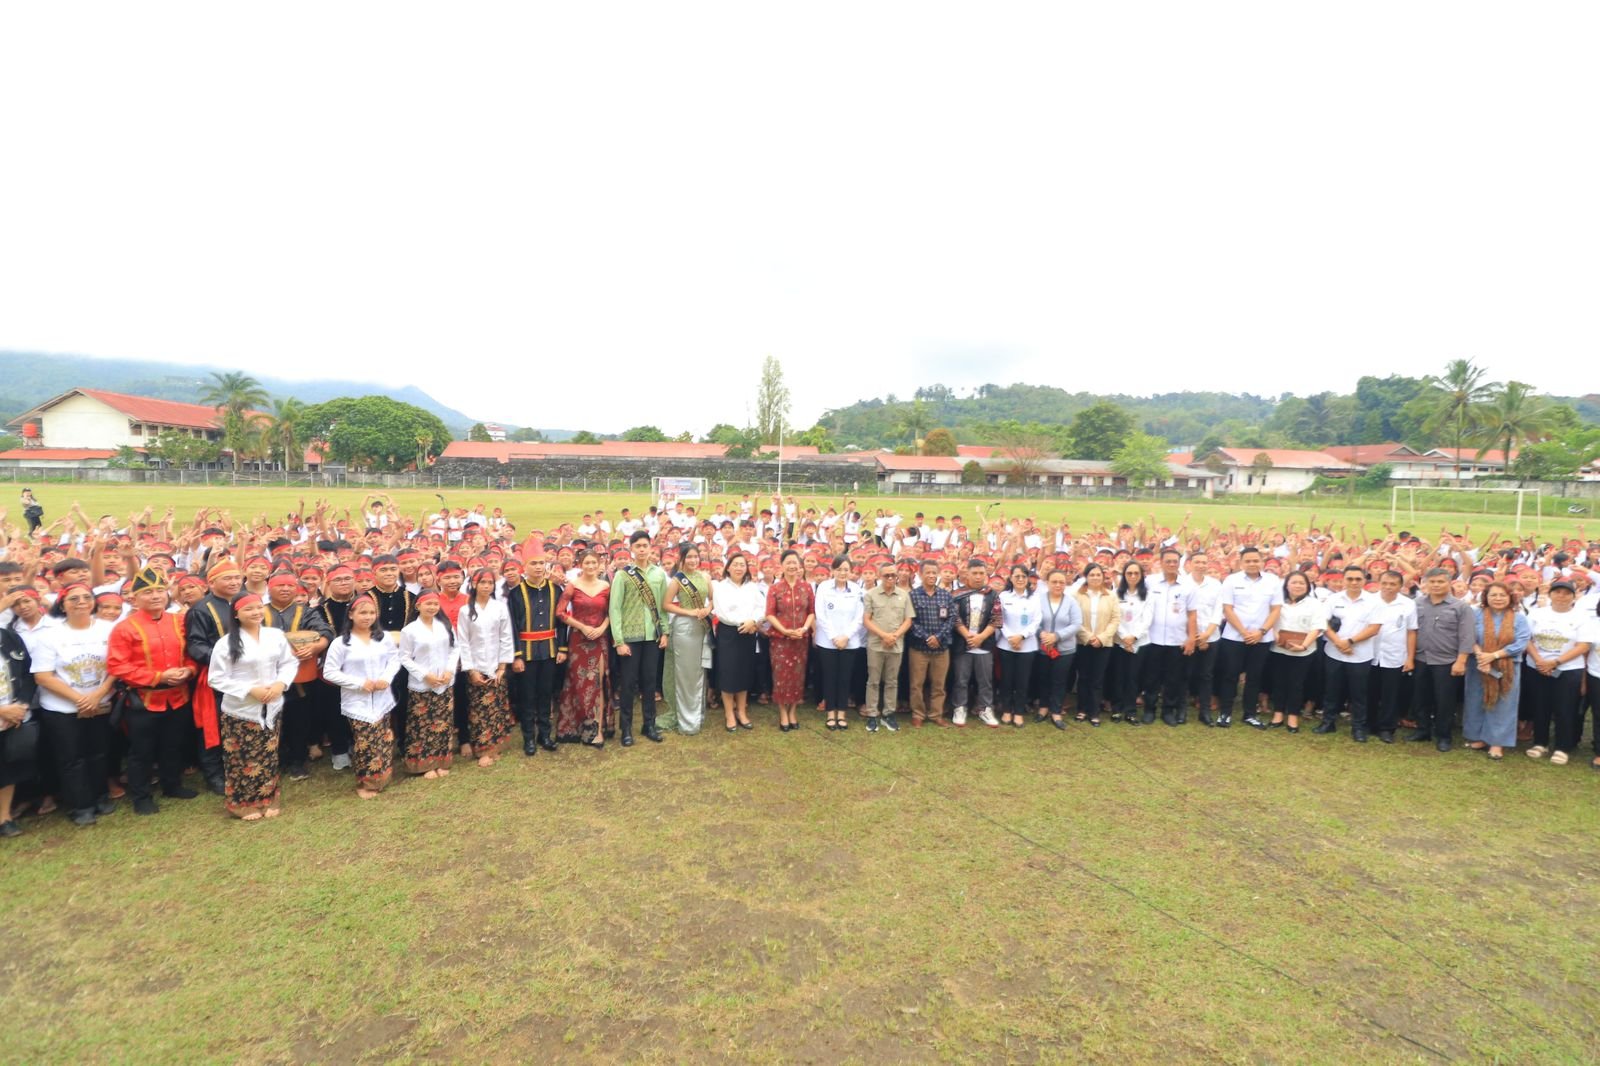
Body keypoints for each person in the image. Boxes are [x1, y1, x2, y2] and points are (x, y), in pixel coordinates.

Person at [106, 566, 198, 815]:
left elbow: (191, 654)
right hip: (143, 700)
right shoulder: (124, 628)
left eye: (160, 591)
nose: (156, 596)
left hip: (178, 697)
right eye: (148, 592)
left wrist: (189, 671)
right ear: (134, 598)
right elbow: (117, 665)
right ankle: (141, 796)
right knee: (141, 751)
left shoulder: (179, 621)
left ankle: (172, 785)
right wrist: (158, 677)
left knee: (173, 744)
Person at [206, 593, 298, 819]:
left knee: (268, 754)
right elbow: (215, 678)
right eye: (249, 609)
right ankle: (243, 803)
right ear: (236, 615)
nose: (256, 613)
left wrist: (281, 683)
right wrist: (250, 689)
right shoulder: (225, 643)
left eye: (259, 608)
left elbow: (289, 662)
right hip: (241, 709)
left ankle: (267, 798)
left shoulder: (275, 635)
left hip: (272, 705)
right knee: (242, 758)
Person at [32, 585, 117, 826]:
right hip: (63, 709)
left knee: (99, 753)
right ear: (62, 604)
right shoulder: (50, 635)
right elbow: (43, 676)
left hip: (99, 704)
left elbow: (116, 666)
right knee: (72, 758)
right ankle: (81, 805)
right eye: (74, 599)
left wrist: (97, 696)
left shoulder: (108, 629)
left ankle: (100, 796)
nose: (81, 602)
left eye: (86, 597)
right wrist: (80, 700)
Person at [322, 595, 401, 799]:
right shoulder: (341, 643)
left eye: (371, 613)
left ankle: (382, 777)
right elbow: (329, 672)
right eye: (362, 612)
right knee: (366, 741)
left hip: (382, 697)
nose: (367, 617)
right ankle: (365, 782)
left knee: (382, 738)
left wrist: (386, 678)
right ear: (351, 615)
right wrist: (358, 683)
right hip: (357, 701)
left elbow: (394, 661)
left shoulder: (383, 638)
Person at [263, 572, 333, 781]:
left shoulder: (306, 612)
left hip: (299, 676)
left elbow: (326, 632)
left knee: (299, 719)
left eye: (289, 586)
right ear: (269, 588)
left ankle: (297, 762)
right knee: (270, 718)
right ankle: (272, 761)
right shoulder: (259, 611)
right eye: (280, 585)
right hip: (267, 676)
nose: (285, 589)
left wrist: (315, 647)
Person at [1520, 579, 1591, 765]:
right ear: (1550, 594)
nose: (1561, 596)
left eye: (1566, 593)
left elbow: (1583, 645)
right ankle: (1540, 743)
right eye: (1557, 592)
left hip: (1567, 669)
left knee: (1565, 707)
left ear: (1573, 596)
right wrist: (1539, 660)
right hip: (1537, 667)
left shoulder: (1581, 617)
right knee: (1540, 705)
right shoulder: (1536, 614)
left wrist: (1556, 662)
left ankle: (1562, 747)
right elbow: (1526, 639)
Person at [1407, 567, 1476, 753]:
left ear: (1449, 583)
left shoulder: (1460, 607)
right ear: (1426, 584)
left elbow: (1467, 636)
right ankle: (1422, 730)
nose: (1436, 585)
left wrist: (1461, 661)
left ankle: (1443, 736)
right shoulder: (1417, 603)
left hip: (1447, 661)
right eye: (1432, 582)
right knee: (1420, 698)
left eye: (1440, 582)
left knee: (1444, 701)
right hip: (1421, 658)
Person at [609, 531, 668, 747]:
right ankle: (625, 728)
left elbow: (662, 607)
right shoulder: (623, 575)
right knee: (628, 684)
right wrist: (619, 641)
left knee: (650, 682)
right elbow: (615, 609)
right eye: (638, 546)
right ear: (631, 548)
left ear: (651, 547)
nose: (642, 549)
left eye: (645, 545)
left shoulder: (658, 574)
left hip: (652, 636)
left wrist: (665, 632)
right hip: (629, 637)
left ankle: (649, 724)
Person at [1215, 547, 1282, 728]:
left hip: (1261, 638)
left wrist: (1261, 631)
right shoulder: (1231, 580)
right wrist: (1244, 632)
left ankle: (1249, 714)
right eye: (1248, 561)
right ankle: (1225, 713)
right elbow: (1227, 608)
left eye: (1256, 560)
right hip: (1234, 637)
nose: (1252, 564)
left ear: (1262, 561)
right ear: (1241, 562)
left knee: (1254, 677)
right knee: (1230, 676)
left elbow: (1276, 608)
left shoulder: (1273, 581)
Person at [1463, 580, 1530, 760]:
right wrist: (1480, 655)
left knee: (1503, 703)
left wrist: (1494, 656)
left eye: (1502, 595)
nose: (1498, 598)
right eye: (1493, 595)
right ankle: (1478, 737)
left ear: (1510, 597)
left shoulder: (1519, 618)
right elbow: (1467, 635)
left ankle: (1496, 742)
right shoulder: (1476, 614)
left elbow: (1522, 642)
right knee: (1476, 699)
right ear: (1486, 597)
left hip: (1506, 666)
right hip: (1478, 664)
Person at [506, 550, 565, 755]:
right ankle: (529, 737)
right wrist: (516, 655)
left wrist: (562, 648)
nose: (538, 567)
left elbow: (562, 621)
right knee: (527, 696)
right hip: (526, 651)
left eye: (541, 563)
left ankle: (545, 734)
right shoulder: (515, 593)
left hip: (549, 650)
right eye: (533, 563)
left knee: (545, 694)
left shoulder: (556, 590)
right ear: (525, 566)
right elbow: (512, 626)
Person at [1316, 565, 1383, 741]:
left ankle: (1358, 727)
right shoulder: (1333, 599)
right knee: (1331, 690)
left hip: (1360, 655)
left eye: (1358, 579)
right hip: (1334, 652)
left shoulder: (1374, 601)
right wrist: (1338, 642)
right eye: (1350, 579)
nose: (1354, 582)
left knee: (1359, 694)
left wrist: (1350, 642)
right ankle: (1328, 722)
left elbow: (1374, 628)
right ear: (1344, 580)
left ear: (1364, 580)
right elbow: (1323, 623)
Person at [457, 567, 514, 766]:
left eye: (490, 583)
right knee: (479, 710)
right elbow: (463, 641)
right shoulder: (466, 610)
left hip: (496, 666)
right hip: (476, 666)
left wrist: (502, 667)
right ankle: (482, 749)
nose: (486, 586)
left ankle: (495, 746)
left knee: (496, 709)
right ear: (474, 584)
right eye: (482, 583)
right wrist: (471, 670)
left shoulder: (499, 608)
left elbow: (506, 637)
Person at [399, 592, 460, 777]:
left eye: (435, 603)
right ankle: (424, 764)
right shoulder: (409, 630)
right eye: (428, 604)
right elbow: (404, 657)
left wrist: (450, 670)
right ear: (418, 606)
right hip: (422, 684)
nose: (432, 607)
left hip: (444, 682)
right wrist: (425, 675)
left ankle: (442, 761)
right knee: (423, 725)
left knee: (443, 723)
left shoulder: (444, 626)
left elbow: (455, 648)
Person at [556, 550, 613, 746]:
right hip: (578, 640)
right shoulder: (573, 586)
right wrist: (581, 626)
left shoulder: (606, 586)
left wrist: (602, 628)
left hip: (599, 639)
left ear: (599, 565)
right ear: (580, 564)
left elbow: (612, 612)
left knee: (598, 682)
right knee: (578, 683)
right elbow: (560, 612)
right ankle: (580, 724)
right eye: (586, 563)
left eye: (593, 563)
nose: (590, 566)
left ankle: (597, 730)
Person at [662, 542, 713, 736]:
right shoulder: (677, 580)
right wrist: (689, 612)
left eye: (695, 557)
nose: (693, 560)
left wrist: (708, 609)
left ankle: (697, 716)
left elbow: (714, 600)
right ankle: (685, 720)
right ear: (681, 560)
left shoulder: (706, 577)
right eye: (689, 557)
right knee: (684, 674)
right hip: (684, 629)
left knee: (699, 672)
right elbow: (666, 605)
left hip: (701, 629)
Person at [1144, 549, 1196, 727]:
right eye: (1168, 561)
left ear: (1179, 563)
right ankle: (1149, 709)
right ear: (1161, 562)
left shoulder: (1188, 585)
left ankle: (1168, 710)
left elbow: (1192, 614)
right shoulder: (1150, 582)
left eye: (1175, 561)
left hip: (1177, 640)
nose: (1172, 564)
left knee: (1173, 678)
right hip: (1153, 639)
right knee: (1151, 677)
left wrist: (1191, 638)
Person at [1269, 571, 1325, 733]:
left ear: (1308, 586)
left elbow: (1317, 626)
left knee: (1296, 684)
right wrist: (1278, 638)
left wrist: (1304, 646)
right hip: (1278, 648)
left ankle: (1293, 715)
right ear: (1287, 585)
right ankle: (1278, 713)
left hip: (1303, 651)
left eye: (1302, 583)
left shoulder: (1314, 604)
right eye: (1294, 582)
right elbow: (1271, 621)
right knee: (1279, 682)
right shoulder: (1278, 603)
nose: (1298, 586)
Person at [765, 549, 815, 732]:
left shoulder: (806, 587)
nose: (792, 566)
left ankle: (793, 709)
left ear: (799, 565)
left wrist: (803, 629)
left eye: (795, 562)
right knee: (781, 676)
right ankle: (782, 712)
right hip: (780, 639)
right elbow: (769, 614)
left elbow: (811, 612)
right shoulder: (775, 588)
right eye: (788, 563)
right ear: (782, 565)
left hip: (800, 639)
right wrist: (785, 630)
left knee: (798, 675)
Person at [1366, 569, 1417, 744]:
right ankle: (1368, 724)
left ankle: (1386, 728)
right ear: (1379, 583)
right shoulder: (1369, 600)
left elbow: (1411, 632)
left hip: (1394, 655)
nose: (1388, 587)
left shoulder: (1408, 604)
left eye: (1393, 584)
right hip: (1369, 653)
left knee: (1391, 694)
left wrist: (1410, 658)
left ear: (1400, 586)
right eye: (1385, 583)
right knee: (1369, 692)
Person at [711, 554, 762, 732]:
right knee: (728, 672)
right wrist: (743, 622)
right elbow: (722, 611)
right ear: (728, 568)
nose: (739, 568)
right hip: (729, 632)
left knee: (744, 671)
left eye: (742, 565)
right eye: (736, 565)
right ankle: (729, 714)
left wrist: (753, 621)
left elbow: (761, 607)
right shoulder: (720, 587)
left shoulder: (752, 587)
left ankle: (741, 711)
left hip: (749, 631)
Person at [814, 556, 864, 731]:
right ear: (833, 570)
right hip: (828, 641)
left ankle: (841, 712)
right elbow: (820, 615)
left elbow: (859, 617)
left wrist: (846, 636)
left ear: (851, 571)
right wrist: (835, 636)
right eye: (839, 569)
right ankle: (830, 713)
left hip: (849, 642)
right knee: (830, 677)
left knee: (844, 678)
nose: (843, 573)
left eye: (846, 570)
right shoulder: (824, 588)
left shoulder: (857, 590)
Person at [862, 560, 911, 733]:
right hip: (876, 644)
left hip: (896, 644)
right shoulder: (871, 594)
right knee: (873, 681)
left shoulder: (904, 595)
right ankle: (872, 715)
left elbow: (908, 619)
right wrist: (883, 635)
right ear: (879, 576)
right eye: (886, 575)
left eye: (893, 575)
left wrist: (895, 636)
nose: (890, 578)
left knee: (892, 681)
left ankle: (888, 714)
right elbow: (867, 619)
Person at [0, 618, 39, 837]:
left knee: (8, 768)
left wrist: (21, 705)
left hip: (13, 716)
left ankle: (4, 818)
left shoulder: (8, 637)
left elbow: (27, 672)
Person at [951, 560, 1000, 728]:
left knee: (985, 680)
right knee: (961, 679)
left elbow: (996, 618)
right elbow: (954, 617)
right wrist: (967, 636)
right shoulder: (957, 593)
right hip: (962, 644)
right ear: (967, 574)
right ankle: (960, 707)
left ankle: (985, 708)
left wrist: (980, 637)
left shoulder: (992, 594)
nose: (978, 577)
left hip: (984, 645)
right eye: (975, 573)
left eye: (981, 573)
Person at [907, 558, 954, 727]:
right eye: (928, 572)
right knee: (916, 684)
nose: (932, 576)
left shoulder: (945, 595)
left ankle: (936, 714)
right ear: (920, 574)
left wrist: (938, 637)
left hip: (941, 648)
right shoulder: (912, 595)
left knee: (939, 684)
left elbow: (951, 619)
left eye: (934, 573)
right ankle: (918, 714)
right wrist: (927, 637)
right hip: (919, 648)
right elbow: (910, 621)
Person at [1035, 568, 1081, 730]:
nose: (1058, 585)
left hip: (1064, 649)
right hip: (1043, 647)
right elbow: (1034, 621)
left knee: (1059, 680)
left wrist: (1057, 636)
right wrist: (1042, 634)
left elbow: (1076, 624)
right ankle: (1043, 707)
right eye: (1054, 581)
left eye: (1061, 582)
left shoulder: (1071, 602)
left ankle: (1056, 711)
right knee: (1044, 678)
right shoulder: (1038, 600)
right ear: (1047, 583)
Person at [995, 565, 1040, 728]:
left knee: (1022, 680)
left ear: (1027, 579)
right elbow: (999, 619)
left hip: (1027, 645)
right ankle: (1006, 710)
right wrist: (1010, 637)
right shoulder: (1003, 596)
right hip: (1006, 645)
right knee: (1006, 679)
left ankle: (1019, 712)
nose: (1020, 579)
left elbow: (1036, 621)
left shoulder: (1034, 598)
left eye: (1023, 576)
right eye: (1017, 576)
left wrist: (1021, 636)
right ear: (1011, 578)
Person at [1074, 563, 1117, 726]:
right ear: (1086, 577)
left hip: (1103, 644)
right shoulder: (1077, 595)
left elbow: (1115, 619)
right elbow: (1075, 619)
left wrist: (1101, 638)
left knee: (1097, 679)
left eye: (1098, 574)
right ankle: (1082, 709)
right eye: (1092, 574)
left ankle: (1094, 712)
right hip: (1083, 642)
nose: (1095, 577)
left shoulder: (1111, 596)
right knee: (1083, 678)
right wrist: (1089, 637)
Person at [1112, 562, 1153, 724]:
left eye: (1136, 573)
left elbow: (1147, 619)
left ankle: (1130, 710)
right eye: (1129, 573)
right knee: (1119, 676)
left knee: (1133, 677)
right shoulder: (1116, 594)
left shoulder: (1148, 595)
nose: (1133, 576)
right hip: (1120, 642)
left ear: (1141, 576)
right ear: (1124, 575)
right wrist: (1124, 637)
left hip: (1140, 642)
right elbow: (1115, 618)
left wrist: (1133, 637)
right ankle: (1117, 709)